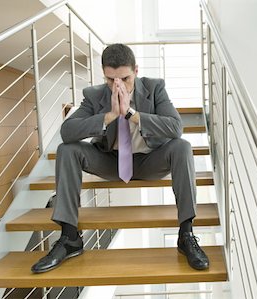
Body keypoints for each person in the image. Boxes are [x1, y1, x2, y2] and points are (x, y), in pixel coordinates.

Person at [31, 43, 209, 273]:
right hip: (111, 161)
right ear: (104, 74)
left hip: (150, 160)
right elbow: (67, 132)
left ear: (136, 70)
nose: (118, 85)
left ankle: (186, 234)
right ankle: (70, 238)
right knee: (68, 150)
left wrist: (131, 115)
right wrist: (110, 115)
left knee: (182, 147)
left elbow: (175, 128)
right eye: (110, 79)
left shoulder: (155, 88)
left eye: (124, 78)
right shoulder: (94, 95)